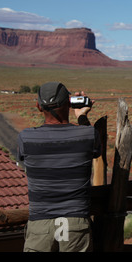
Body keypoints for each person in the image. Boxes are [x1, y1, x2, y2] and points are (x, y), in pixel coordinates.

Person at [17, 82, 101, 252]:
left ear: (39, 107)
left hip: (40, 225)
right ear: (69, 103)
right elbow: (94, 150)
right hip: (75, 224)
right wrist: (82, 116)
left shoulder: (26, 138)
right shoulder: (88, 134)